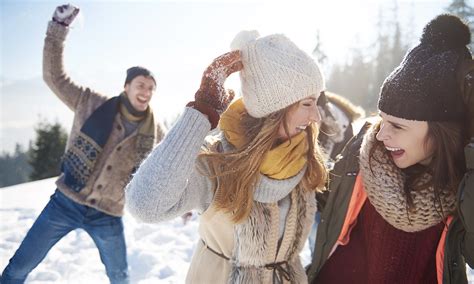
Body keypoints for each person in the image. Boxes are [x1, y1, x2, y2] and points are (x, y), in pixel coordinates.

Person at [126, 30, 328, 283]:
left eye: (317, 103)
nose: (316, 118)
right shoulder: (218, 162)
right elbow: (145, 206)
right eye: (307, 104)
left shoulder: (306, 157)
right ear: (276, 108)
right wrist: (201, 113)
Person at [1, 4, 164, 284]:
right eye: (141, 84)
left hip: (109, 215)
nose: (146, 91)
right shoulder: (90, 103)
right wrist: (58, 29)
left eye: (151, 87)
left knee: (120, 277)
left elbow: (166, 169)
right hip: (66, 202)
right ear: (126, 86)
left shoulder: (156, 132)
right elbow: (54, 77)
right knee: (19, 267)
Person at [306, 14, 474, 284]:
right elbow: (321, 195)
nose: (381, 134)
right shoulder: (365, 153)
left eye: (397, 126)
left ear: (441, 134)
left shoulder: (463, 185)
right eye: (381, 120)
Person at [307, 91, 365, 253]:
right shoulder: (334, 117)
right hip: (324, 198)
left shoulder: (334, 127)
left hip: (327, 199)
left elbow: (341, 166)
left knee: (319, 244)